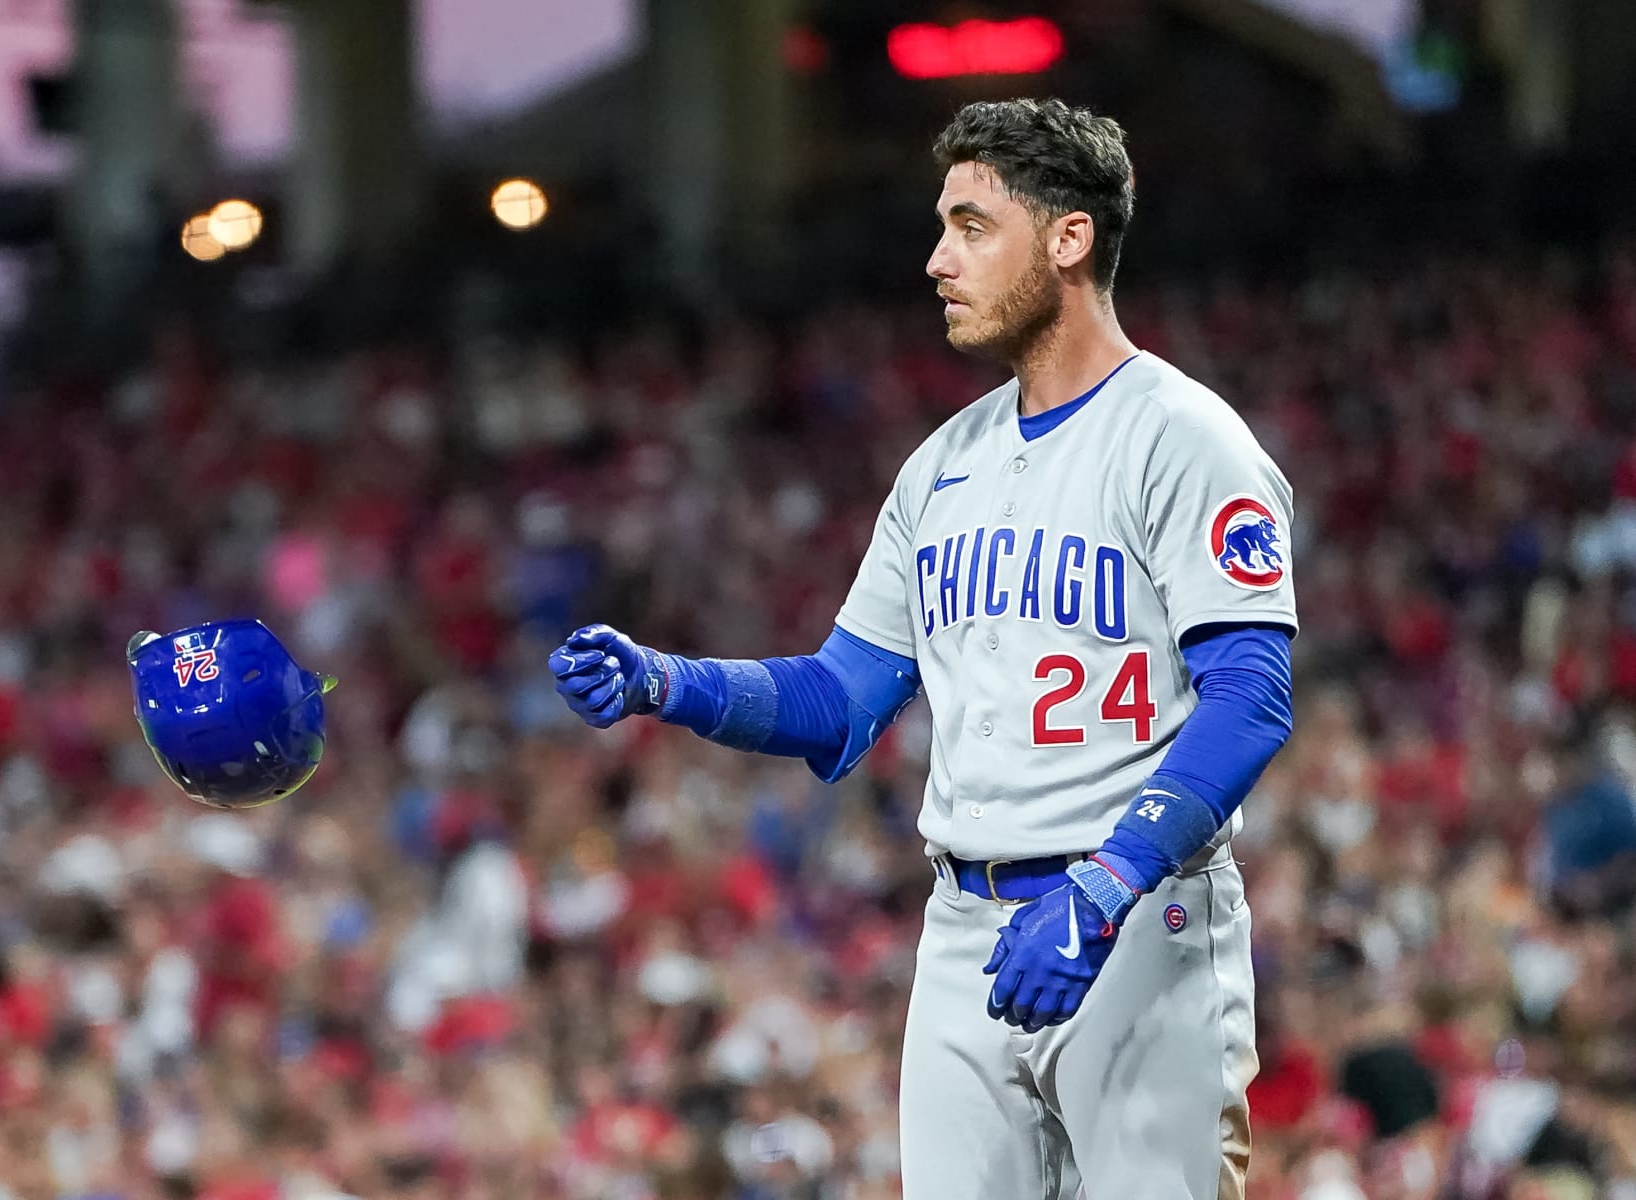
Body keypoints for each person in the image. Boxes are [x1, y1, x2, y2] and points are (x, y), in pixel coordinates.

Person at [550, 97, 1297, 1200]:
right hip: (963, 930)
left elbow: (1252, 697)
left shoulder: (1183, 438)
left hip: (1141, 918)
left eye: (971, 225)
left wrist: (1107, 883)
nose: (938, 258)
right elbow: (842, 699)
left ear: (1069, 237)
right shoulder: (942, 464)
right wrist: (672, 681)